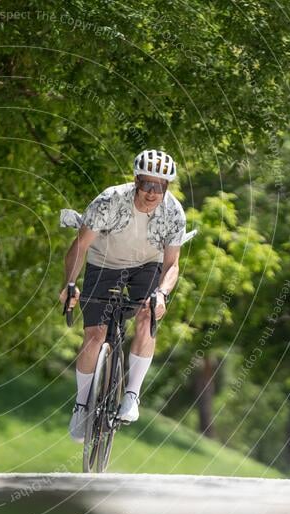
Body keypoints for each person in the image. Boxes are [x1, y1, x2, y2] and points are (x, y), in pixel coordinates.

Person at [58, 150, 196, 442]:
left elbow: (172, 265)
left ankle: (131, 395)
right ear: (135, 180)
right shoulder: (109, 201)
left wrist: (161, 293)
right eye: (146, 184)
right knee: (95, 334)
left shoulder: (173, 213)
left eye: (159, 186)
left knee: (149, 312)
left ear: (167, 187)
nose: (151, 192)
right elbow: (80, 245)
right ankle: (82, 406)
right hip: (104, 262)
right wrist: (70, 285)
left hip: (148, 264)